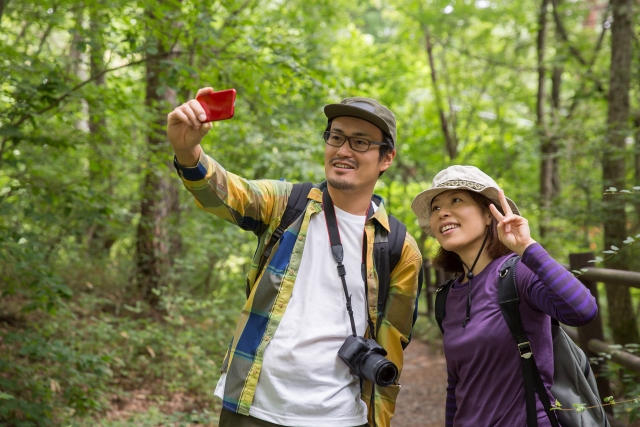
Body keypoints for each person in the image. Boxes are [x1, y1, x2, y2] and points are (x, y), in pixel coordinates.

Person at [167, 87, 422, 427]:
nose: (343, 150)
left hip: (339, 418)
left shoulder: (399, 247)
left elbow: (391, 349)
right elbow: (228, 193)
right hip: (252, 409)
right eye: (336, 137)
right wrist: (188, 151)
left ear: (386, 158)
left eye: (360, 142)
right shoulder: (287, 204)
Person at [410, 165, 598, 427]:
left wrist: (526, 247)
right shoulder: (447, 297)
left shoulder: (517, 273)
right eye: (435, 208)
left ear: (489, 214)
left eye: (456, 200)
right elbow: (457, 385)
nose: (442, 212)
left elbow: (582, 310)